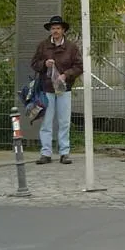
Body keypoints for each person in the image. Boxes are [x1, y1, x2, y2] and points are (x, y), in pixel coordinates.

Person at [30, 15, 83, 164]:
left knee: (64, 121)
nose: (55, 31)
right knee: (46, 121)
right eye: (53, 28)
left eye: (58, 28)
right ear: (50, 30)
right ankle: (45, 153)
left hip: (64, 88)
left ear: (63, 30)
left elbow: (79, 66)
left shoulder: (72, 47)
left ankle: (64, 152)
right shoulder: (43, 46)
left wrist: (66, 75)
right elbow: (34, 63)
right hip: (46, 88)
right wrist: (44, 64)